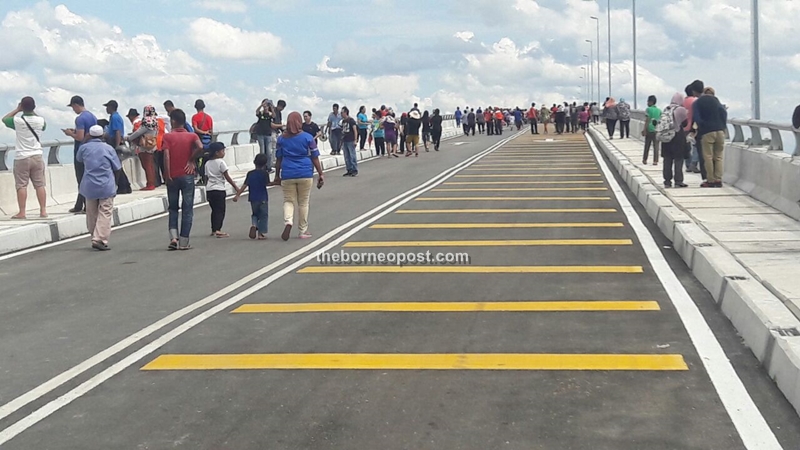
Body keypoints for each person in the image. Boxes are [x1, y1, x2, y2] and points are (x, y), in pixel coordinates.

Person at [272, 111, 325, 240]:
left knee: (288, 201)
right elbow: (315, 157)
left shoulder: (281, 139)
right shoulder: (308, 138)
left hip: (288, 173)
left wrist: (277, 175)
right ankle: (302, 231)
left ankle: (288, 221)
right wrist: (320, 173)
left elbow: (278, 159)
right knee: (303, 202)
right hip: (305, 172)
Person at [163, 109, 204, 250]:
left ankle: (173, 237)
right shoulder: (192, 136)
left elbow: (166, 156)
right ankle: (184, 242)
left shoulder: (167, 137)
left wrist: (167, 174)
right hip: (187, 175)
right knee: (187, 208)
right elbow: (201, 147)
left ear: (173, 121)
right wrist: (191, 160)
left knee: (173, 208)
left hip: (172, 176)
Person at [76, 125, 121, 251]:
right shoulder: (108, 148)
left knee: (91, 212)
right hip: (106, 184)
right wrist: (115, 183)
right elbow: (117, 167)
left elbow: (79, 159)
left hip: (89, 185)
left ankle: (93, 235)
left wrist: (85, 141)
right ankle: (99, 238)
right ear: (103, 135)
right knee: (105, 212)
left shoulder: (84, 148)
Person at [3, 97, 48, 219]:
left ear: (22, 106)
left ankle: (22, 212)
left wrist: (17, 109)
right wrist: (32, 111)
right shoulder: (40, 120)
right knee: (40, 184)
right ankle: (43, 211)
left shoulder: (18, 121)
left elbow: (5, 119)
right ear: (34, 107)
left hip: (22, 156)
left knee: (21, 185)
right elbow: (44, 126)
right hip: (37, 155)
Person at [63, 95, 97, 214]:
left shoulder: (80, 119)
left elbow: (80, 137)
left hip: (81, 150)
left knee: (81, 178)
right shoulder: (92, 116)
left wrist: (70, 134)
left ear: (76, 105)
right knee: (88, 177)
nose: (73, 109)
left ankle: (85, 205)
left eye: (73, 107)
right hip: (92, 149)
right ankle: (81, 204)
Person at [693, 84, 727, 188]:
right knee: (719, 156)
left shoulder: (698, 102)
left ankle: (710, 180)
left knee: (708, 156)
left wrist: (702, 127)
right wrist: (722, 125)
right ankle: (718, 179)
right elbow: (724, 113)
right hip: (720, 131)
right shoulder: (717, 101)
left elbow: (697, 118)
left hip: (707, 132)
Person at [203, 142, 239, 238]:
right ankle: (218, 230)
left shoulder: (207, 163)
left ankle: (214, 229)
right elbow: (227, 176)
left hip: (210, 189)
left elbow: (206, 178)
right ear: (217, 153)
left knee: (214, 210)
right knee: (220, 210)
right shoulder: (221, 162)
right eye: (222, 151)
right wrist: (235, 187)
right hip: (219, 189)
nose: (224, 153)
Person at [234, 154, 270, 240]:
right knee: (263, 215)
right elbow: (268, 184)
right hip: (263, 198)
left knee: (255, 214)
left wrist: (237, 195)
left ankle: (254, 225)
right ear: (265, 164)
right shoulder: (265, 174)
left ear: (254, 162)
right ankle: (260, 234)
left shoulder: (250, 174)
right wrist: (277, 183)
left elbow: (244, 185)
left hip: (253, 198)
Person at [126, 105, 159, 191]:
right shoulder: (155, 121)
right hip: (152, 145)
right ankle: (152, 183)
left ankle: (150, 184)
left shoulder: (146, 122)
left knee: (146, 165)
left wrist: (128, 138)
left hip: (144, 146)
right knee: (151, 165)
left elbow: (138, 132)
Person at [661, 93, 689, 188]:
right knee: (678, 159)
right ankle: (678, 181)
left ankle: (667, 181)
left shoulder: (666, 108)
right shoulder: (681, 110)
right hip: (677, 136)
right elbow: (685, 124)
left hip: (666, 136)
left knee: (667, 159)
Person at [192, 99, 213, 185]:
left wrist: (202, 132)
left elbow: (195, 129)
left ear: (195, 107)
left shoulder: (195, 117)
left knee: (195, 158)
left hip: (198, 141)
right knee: (206, 159)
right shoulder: (209, 117)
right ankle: (205, 178)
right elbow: (211, 130)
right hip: (208, 141)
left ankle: (199, 175)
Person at [683, 84, 701, 173]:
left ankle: (688, 164)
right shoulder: (696, 101)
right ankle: (693, 164)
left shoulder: (683, 102)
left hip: (683, 127)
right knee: (696, 146)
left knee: (686, 147)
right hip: (694, 127)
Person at [254, 99, 274, 164]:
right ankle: (262, 166)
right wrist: (261, 105)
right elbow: (257, 111)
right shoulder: (261, 113)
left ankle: (268, 166)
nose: (265, 107)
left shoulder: (270, 114)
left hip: (268, 134)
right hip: (260, 134)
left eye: (267, 106)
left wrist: (271, 107)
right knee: (262, 152)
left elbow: (274, 116)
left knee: (269, 152)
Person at [643, 95, 662, 165]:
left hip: (649, 129)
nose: (647, 103)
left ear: (651, 102)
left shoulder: (648, 109)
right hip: (657, 130)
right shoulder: (659, 110)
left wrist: (644, 129)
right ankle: (655, 161)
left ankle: (645, 159)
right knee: (656, 146)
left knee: (647, 145)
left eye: (648, 101)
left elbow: (647, 120)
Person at [340, 107, 358, 175]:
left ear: (345, 112)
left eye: (342, 113)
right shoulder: (343, 121)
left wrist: (355, 140)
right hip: (345, 140)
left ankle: (354, 169)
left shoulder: (351, 120)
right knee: (346, 156)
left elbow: (355, 130)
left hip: (351, 140)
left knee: (352, 155)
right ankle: (349, 169)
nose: (341, 114)